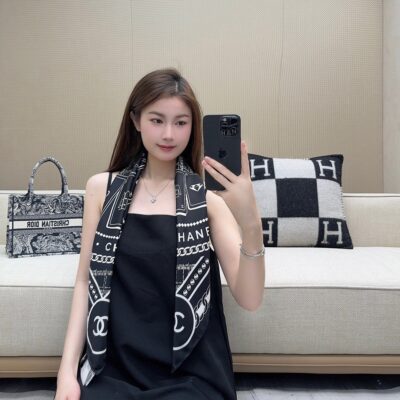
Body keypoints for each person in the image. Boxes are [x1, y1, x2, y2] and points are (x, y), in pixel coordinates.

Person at [54, 68, 265, 400]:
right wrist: (66, 374)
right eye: (157, 120)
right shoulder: (102, 190)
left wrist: (251, 222)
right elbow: (85, 282)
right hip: (115, 368)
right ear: (136, 121)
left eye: (181, 122)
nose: (169, 134)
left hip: (191, 373)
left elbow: (250, 299)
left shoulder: (208, 201)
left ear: (193, 127)